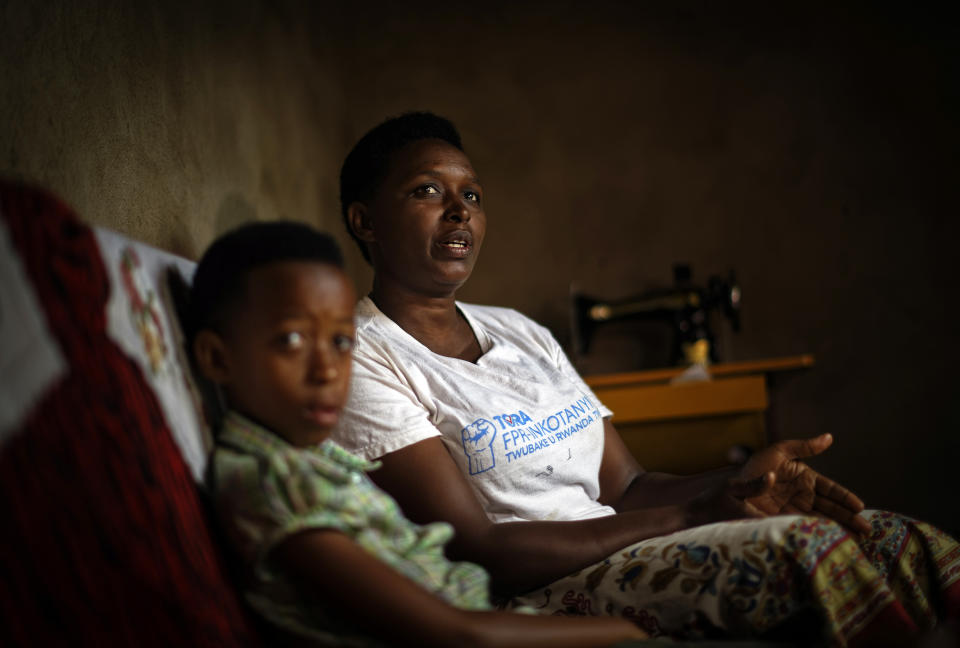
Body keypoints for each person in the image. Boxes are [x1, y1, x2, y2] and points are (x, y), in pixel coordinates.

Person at [332, 112, 960, 646]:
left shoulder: (518, 331)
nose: (458, 212)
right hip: (542, 589)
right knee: (807, 555)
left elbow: (628, 487)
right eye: (426, 191)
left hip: (625, 545)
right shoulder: (364, 358)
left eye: (471, 195)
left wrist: (748, 484)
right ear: (365, 221)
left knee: (891, 537)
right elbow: (476, 548)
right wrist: (691, 515)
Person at [187, 221, 648, 647]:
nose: (327, 369)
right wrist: (623, 633)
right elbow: (459, 635)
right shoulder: (276, 483)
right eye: (291, 341)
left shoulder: (314, 460)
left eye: (341, 341)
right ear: (216, 359)